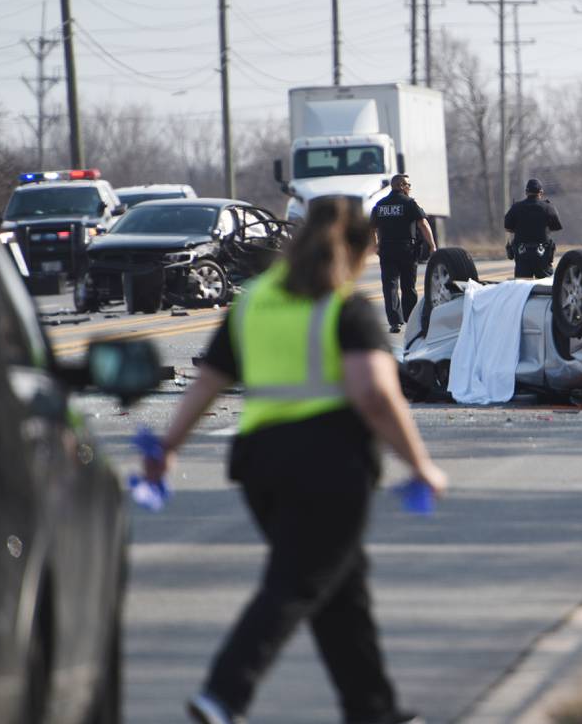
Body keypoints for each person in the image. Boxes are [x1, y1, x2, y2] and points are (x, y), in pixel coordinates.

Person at [144, 196, 449, 724]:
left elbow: (207, 384)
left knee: (341, 588)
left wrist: (167, 449)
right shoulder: (343, 306)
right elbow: (375, 394)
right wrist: (421, 464)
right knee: (299, 582)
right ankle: (224, 695)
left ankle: (372, 710)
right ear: (356, 250)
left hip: (261, 465)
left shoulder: (255, 299)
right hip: (330, 466)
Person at [370, 175, 436, 333]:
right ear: (400, 185)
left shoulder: (380, 205)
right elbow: (423, 224)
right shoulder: (409, 203)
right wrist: (432, 245)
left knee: (390, 285)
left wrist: (376, 245)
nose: (409, 187)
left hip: (386, 249)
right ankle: (411, 319)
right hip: (407, 249)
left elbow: (371, 228)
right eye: (408, 184)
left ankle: (395, 322)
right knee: (409, 286)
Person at [503, 178, 563, 278]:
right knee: (546, 286)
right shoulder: (548, 207)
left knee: (521, 287)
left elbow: (507, 227)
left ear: (526, 192)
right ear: (541, 192)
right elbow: (556, 227)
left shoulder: (516, 207)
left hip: (522, 254)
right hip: (542, 254)